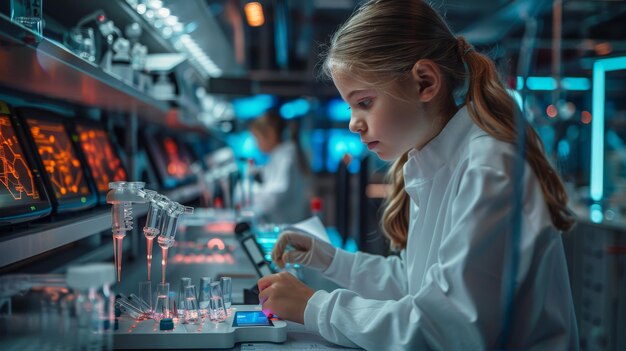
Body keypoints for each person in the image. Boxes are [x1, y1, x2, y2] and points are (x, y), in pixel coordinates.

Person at [256, 0, 579, 350]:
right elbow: (417, 285)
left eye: (364, 102)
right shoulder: (435, 160)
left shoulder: (488, 167)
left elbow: (448, 328)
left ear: (425, 82)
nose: (353, 123)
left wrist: (314, 306)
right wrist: (328, 258)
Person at [246, 109, 311, 224]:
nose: (256, 144)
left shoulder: (285, 157)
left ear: (270, 134)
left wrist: (248, 191)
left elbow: (274, 198)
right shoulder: (280, 155)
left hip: (288, 224)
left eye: (257, 138)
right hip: (287, 225)